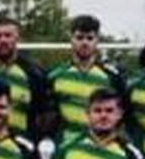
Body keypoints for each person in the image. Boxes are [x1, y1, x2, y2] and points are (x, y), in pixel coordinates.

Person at [45, 14, 127, 146]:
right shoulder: (56, 76)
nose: (84, 43)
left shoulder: (112, 77)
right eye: (79, 37)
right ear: (71, 39)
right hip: (66, 145)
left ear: (97, 41)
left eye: (90, 38)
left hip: (102, 144)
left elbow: (122, 113)